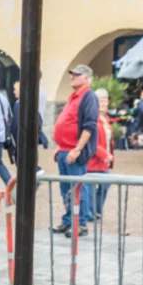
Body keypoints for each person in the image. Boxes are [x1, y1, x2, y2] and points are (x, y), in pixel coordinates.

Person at [51, 64, 98, 237]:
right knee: (66, 188)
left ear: (86, 78)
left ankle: (81, 223)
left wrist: (77, 149)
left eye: (77, 75)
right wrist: (60, 147)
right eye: (72, 74)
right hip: (65, 149)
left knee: (78, 187)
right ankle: (69, 220)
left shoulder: (88, 96)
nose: (72, 77)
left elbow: (89, 125)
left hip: (74, 151)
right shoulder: (75, 96)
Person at [87, 88, 114, 220]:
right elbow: (93, 142)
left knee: (104, 186)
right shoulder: (93, 119)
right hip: (93, 159)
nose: (103, 103)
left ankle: (97, 210)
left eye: (105, 100)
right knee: (91, 188)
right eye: (100, 101)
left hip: (104, 161)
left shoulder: (106, 119)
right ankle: (91, 212)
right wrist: (105, 155)